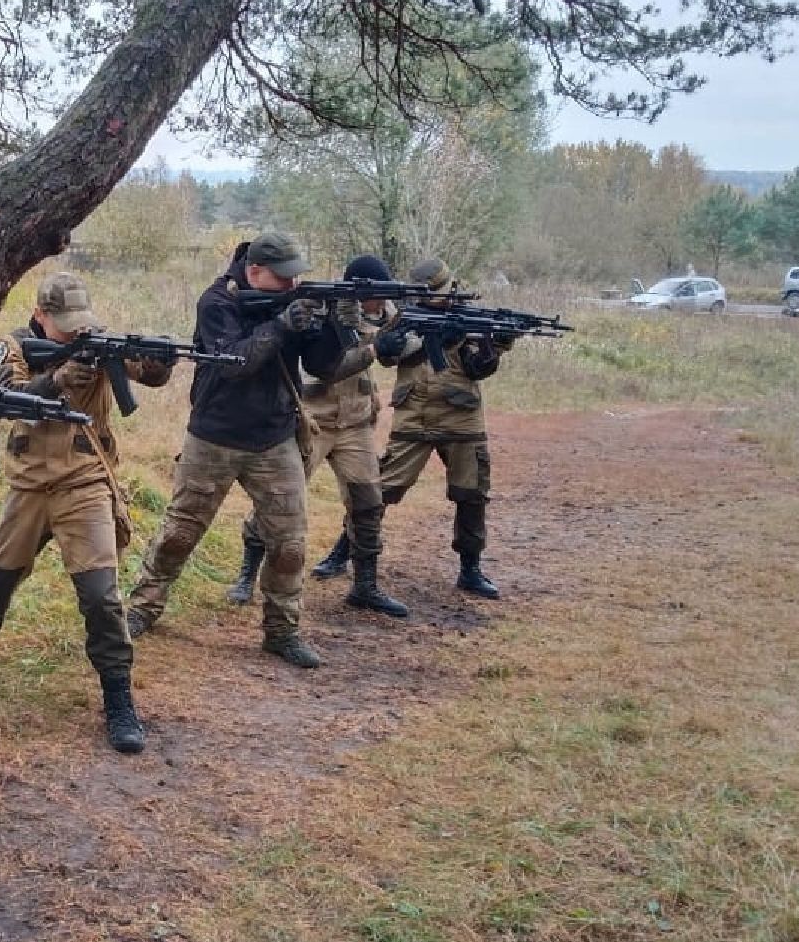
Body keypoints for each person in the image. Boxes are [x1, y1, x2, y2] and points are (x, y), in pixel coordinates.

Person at [0, 272, 172, 753]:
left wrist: (160, 360)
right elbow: (6, 399)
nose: (74, 331)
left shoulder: (98, 341)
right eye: (63, 324)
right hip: (30, 483)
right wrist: (56, 380)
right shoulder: (14, 346)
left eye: (79, 322)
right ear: (39, 315)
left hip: (85, 479)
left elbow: (150, 375)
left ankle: (118, 695)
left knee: (101, 595)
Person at [123, 233, 343, 668]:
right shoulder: (216, 302)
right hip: (214, 436)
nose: (292, 286)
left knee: (289, 543)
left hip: (274, 437)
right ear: (255, 271)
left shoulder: (290, 299)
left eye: (295, 278)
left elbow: (324, 366)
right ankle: (142, 608)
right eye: (283, 279)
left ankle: (282, 631)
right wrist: (283, 324)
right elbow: (235, 361)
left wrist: (334, 322)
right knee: (179, 534)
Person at [226, 254, 408, 618]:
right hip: (315, 419)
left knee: (368, 502)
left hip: (354, 423)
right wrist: (372, 349)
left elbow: (386, 353)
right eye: (378, 294)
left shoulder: (380, 315)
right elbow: (326, 369)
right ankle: (247, 575)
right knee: (280, 501)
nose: (383, 302)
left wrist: (395, 340)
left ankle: (365, 586)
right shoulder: (323, 310)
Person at [369, 257, 511, 600]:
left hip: (460, 415)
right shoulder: (405, 317)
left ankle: (470, 568)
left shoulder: (467, 317)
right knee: (380, 489)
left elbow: (479, 368)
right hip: (413, 413)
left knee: (471, 492)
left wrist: (494, 343)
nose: (438, 298)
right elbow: (386, 355)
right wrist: (421, 339)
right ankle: (349, 551)